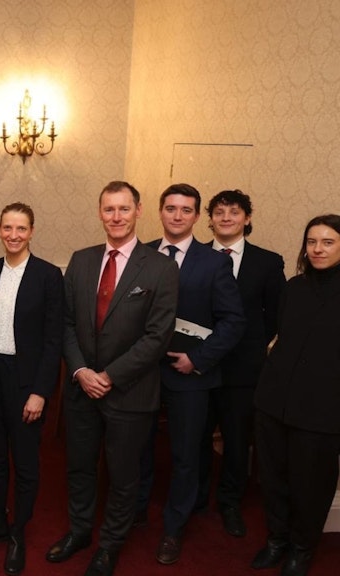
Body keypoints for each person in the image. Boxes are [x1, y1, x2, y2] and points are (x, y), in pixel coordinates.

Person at [47, 181, 178, 576]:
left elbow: (158, 336)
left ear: (138, 211)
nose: (116, 217)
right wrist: (82, 371)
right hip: (82, 388)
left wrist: (109, 375)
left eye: (124, 209)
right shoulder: (82, 260)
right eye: (108, 209)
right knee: (80, 466)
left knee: (123, 476)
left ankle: (109, 545)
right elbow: (66, 324)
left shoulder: (160, 267)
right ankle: (81, 531)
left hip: (131, 393)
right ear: (100, 212)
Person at [137, 183, 245, 565]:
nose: (177, 216)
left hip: (190, 374)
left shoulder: (214, 262)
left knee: (186, 455)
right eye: (170, 208)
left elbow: (234, 322)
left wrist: (197, 359)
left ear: (198, 216)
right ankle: (134, 512)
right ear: (160, 211)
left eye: (185, 210)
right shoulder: (142, 253)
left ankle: (174, 527)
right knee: (139, 447)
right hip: (143, 373)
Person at [0, 203, 64, 575]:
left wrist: (41, 392)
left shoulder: (49, 276)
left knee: (25, 461)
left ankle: (19, 532)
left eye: (21, 228)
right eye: (7, 228)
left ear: (32, 231)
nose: (13, 235)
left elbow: (54, 340)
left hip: (26, 380)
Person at [251, 214, 340, 576]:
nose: (317, 249)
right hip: (273, 402)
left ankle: (302, 549)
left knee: (311, 485)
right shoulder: (294, 286)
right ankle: (277, 539)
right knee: (272, 478)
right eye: (312, 242)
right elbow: (280, 337)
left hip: (322, 410)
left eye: (328, 242)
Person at [197, 189, 285, 538]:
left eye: (235, 212)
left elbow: (276, 316)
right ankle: (196, 497)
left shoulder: (267, 261)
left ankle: (230, 500)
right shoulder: (195, 256)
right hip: (198, 363)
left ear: (247, 218)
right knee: (196, 436)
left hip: (243, 368)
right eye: (219, 212)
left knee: (236, 440)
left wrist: (255, 349)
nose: (226, 217)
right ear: (210, 219)